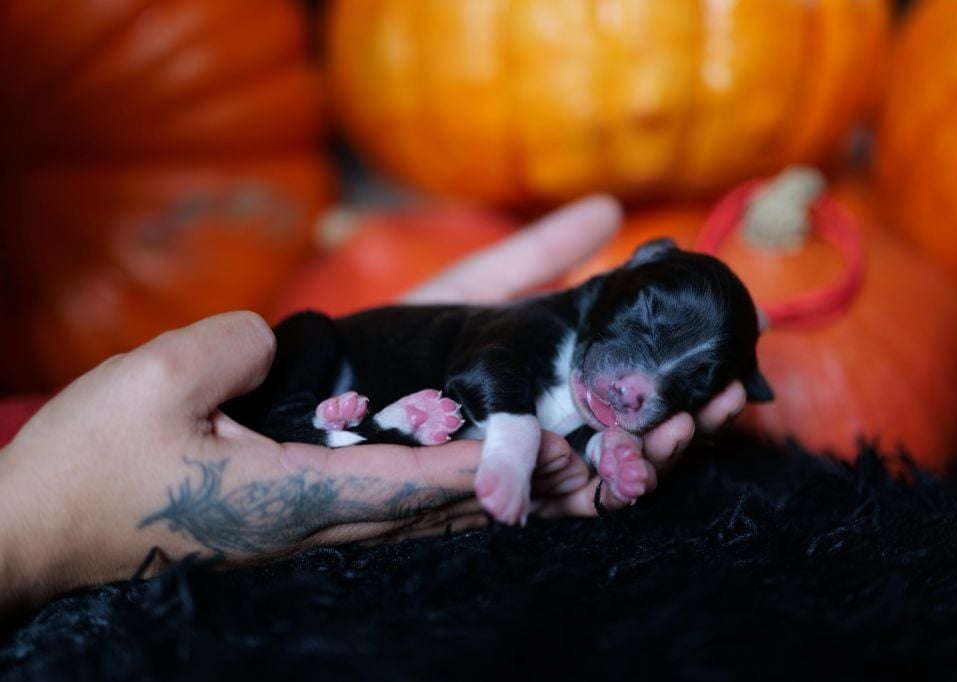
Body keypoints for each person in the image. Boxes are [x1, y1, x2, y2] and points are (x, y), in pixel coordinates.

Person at [0, 196, 748, 621]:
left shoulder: (611, 390)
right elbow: (494, 374)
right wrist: (40, 523)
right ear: (634, 266)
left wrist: (602, 450)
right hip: (336, 364)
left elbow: (572, 426)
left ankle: (357, 430)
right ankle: (329, 425)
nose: (635, 386)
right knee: (292, 348)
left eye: (682, 382)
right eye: (648, 325)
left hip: (377, 418)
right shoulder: (539, 322)